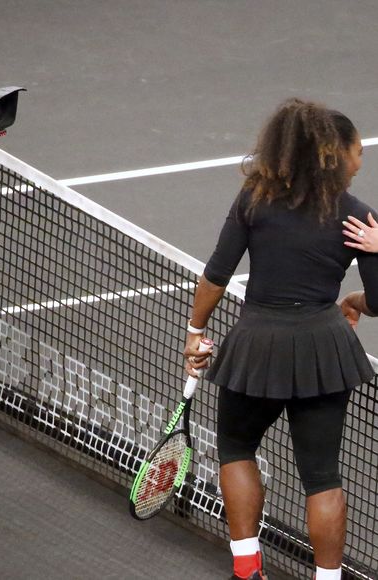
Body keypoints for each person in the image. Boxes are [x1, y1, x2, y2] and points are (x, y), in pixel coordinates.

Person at [183, 98, 378, 580]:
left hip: (256, 345)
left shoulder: (254, 198)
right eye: (357, 151)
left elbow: (216, 274)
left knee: (235, 447)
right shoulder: (358, 217)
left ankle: (247, 569)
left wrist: (195, 332)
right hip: (324, 350)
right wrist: (354, 298)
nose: (360, 161)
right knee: (323, 476)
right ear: (335, 154)